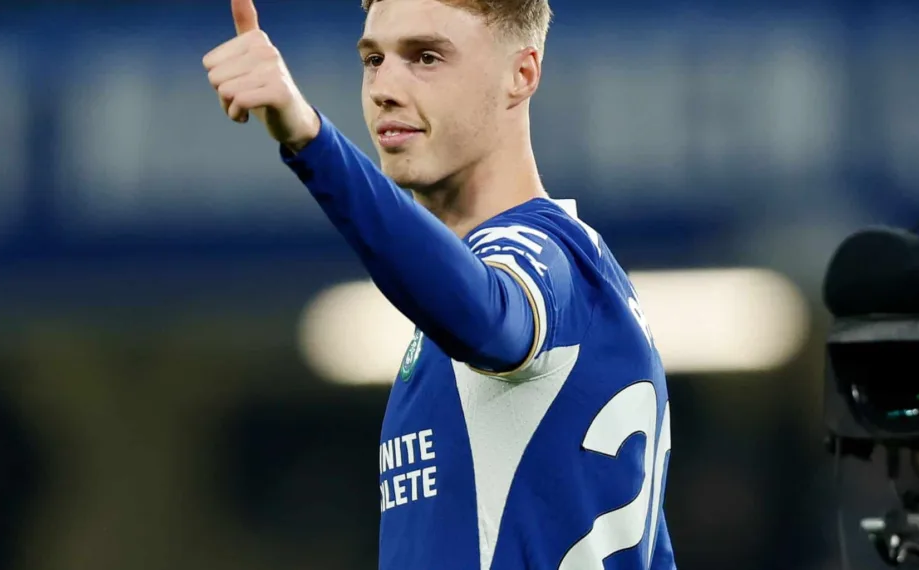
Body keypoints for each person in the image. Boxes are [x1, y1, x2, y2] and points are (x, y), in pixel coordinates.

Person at [203, 0, 676, 568]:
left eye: (426, 57)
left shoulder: (545, 257)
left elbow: (489, 313)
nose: (385, 88)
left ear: (521, 75)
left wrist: (310, 138)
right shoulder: (578, 284)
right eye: (374, 60)